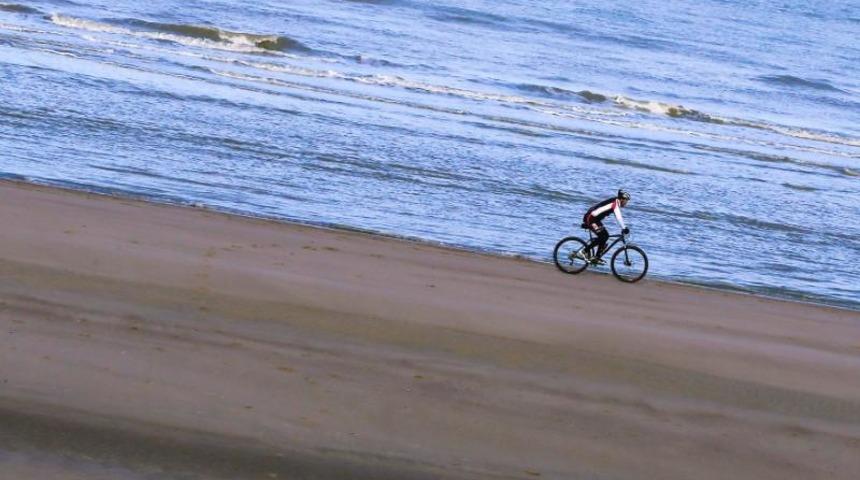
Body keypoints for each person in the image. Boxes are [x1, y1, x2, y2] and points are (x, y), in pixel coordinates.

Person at [579, 189, 631, 264]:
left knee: (605, 235)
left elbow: (618, 216)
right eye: (626, 201)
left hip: (595, 219)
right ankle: (583, 252)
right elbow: (618, 217)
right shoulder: (615, 203)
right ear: (622, 199)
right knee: (603, 236)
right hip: (591, 218)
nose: (626, 203)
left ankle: (596, 257)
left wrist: (623, 227)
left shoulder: (615, 202)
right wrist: (624, 228)